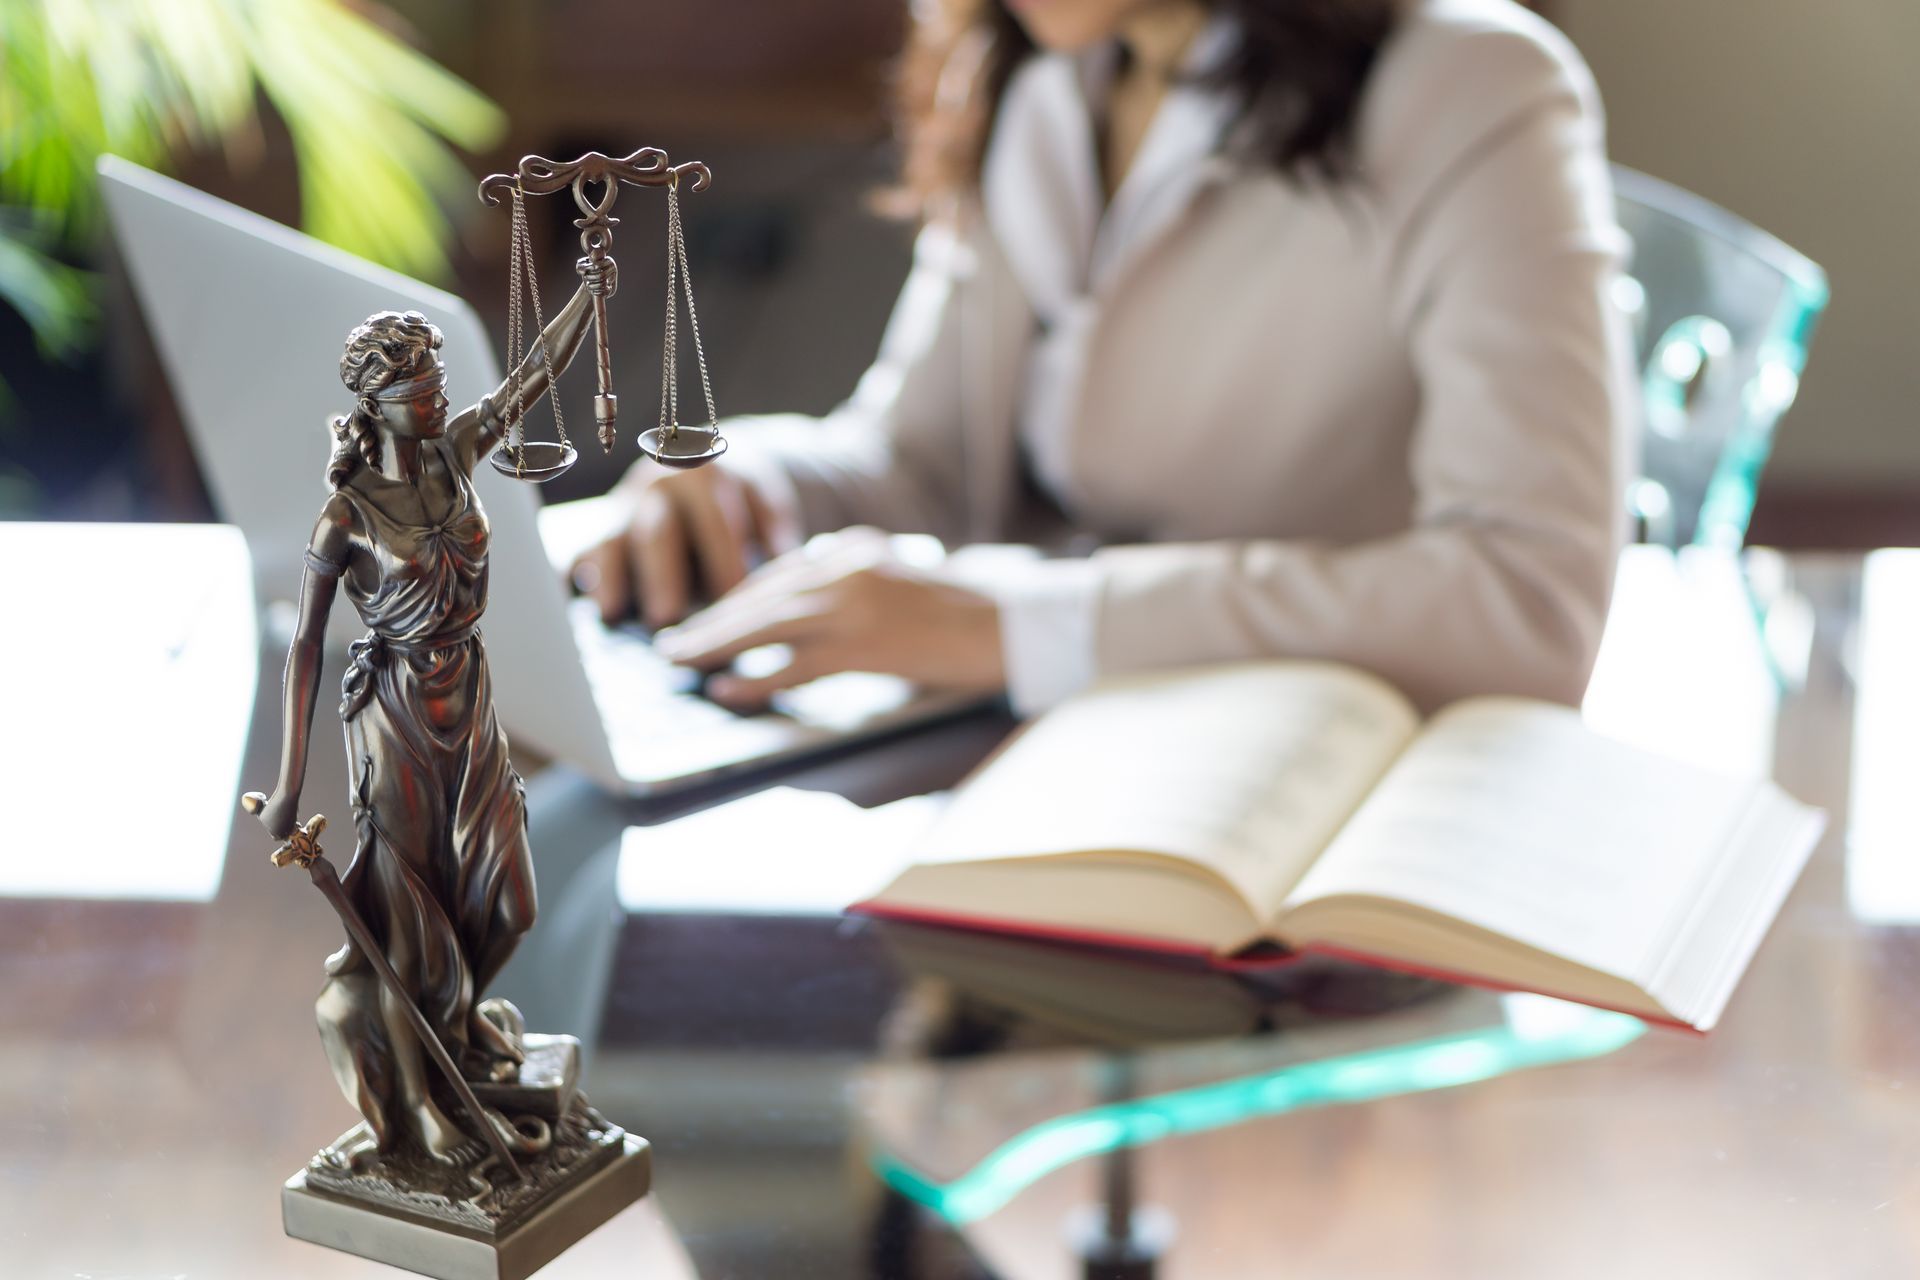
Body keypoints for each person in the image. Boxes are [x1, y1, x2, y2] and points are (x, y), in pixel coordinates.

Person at [573, 0, 1632, 718]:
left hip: (1322, 809)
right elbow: (922, 467)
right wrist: (746, 482)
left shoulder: (1474, 81)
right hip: (1054, 771)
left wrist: (1019, 623)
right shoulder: (1044, 79)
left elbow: (1528, 602)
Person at [251, 260, 610, 1161]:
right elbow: (305, 647)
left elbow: (531, 378)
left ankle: (450, 1025)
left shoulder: (455, 452)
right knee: (411, 927)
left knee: (511, 904)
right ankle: (427, 1099)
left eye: (438, 381)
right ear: (379, 401)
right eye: (420, 385)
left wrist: (590, 293)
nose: (437, 393)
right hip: (397, 714)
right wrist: (291, 785)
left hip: (471, 698)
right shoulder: (346, 516)